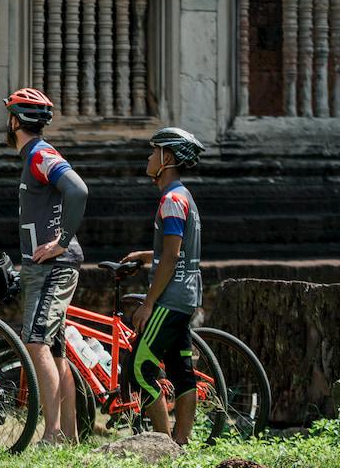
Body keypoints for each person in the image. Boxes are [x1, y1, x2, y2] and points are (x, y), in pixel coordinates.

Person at [4, 87, 88, 444]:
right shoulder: (34, 157)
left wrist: (62, 242)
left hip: (55, 265)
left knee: (36, 342)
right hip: (45, 267)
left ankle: (52, 433)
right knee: (54, 349)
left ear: (14, 121)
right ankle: (68, 434)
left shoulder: (40, 154)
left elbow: (78, 190)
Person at [120, 127, 205, 445]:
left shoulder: (170, 200)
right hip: (187, 297)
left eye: (152, 151)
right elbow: (179, 250)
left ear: (166, 158)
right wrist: (148, 255)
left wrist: (148, 303)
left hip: (169, 300)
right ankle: (181, 443)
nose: (148, 156)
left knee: (139, 369)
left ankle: (162, 443)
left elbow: (171, 257)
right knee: (182, 371)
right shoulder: (185, 197)